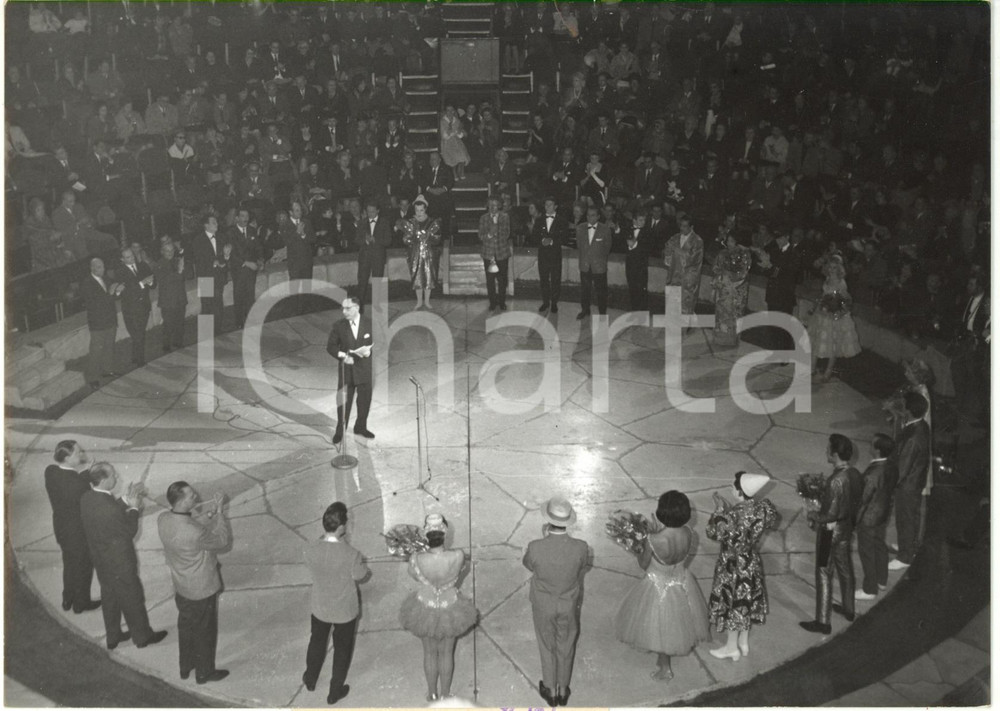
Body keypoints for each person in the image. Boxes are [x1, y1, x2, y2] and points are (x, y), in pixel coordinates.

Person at [616, 491, 709, 681]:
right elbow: (681, 555)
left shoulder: (654, 540)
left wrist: (639, 547)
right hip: (681, 582)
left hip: (658, 586)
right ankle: (663, 662)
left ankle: (665, 668)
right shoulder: (690, 533)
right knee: (678, 622)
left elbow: (643, 565)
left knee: (661, 629)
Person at [80, 462, 168, 650]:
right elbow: (128, 531)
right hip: (120, 561)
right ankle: (142, 637)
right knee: (132, 597)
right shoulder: (109, 509)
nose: (117, 478)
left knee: (109, 596)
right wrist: (135, 509)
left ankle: (114, 636)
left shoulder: (87, 498)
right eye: (113, 475)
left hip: (101, 559)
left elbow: (108, 512)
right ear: (104, 480)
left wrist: (127, 499)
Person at [400, 514, 478, 702]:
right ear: (445, 534)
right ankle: (445, 693)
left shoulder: (417, 558)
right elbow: (462, 570)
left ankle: (431, 693)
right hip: (450, 606)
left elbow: (415, 576)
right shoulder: (458, 555)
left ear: (426, 535)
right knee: (446, 652)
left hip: (424, 606)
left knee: (429, 652)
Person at [157, 482, 230, 685]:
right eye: (191, 496)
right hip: (201, 588)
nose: (195, 497)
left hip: (181, 585)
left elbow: (190, 526)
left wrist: (209, 515)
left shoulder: (163, 519)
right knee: (204, 632)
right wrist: (220, 514)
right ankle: (204, 673)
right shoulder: (194, 532)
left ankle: (185, 666)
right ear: (181, 501)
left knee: (186, 626)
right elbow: (222, 540)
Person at [522, 497, 591, 707]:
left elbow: (529, 565)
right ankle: (563, 689)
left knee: (546, 644)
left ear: (547, 522)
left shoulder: (535, 547)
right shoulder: (581, 547)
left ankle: (549, 690)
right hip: (568, 604)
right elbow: (581, 566)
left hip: (543, 603)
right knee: (566, 644)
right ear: (568, 522)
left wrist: (544, 540)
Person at [706, 472, 778, 659]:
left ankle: (731, 648)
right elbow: (771, 520)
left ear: (740, 492)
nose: (731, 488)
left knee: (734, 602)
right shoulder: (762, 509)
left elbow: (713, 532)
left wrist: (719, 510)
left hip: (732, 565)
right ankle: (743, 642)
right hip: (751, 561)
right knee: (746, 601)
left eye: (733, 486)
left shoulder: (733, 514)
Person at [303, 502, 369, 705]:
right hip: (344, 611)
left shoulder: (310, 548)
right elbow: (360, 575)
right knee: (342, 649)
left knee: (316, 642)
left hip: (321, 606)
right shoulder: (351, 554)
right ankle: (335, 690)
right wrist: (364, 565)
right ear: (341, 528)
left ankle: (311, 678)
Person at [800, 434, 863, 635]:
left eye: (829, 450)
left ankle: (823, 621)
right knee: (845, 567)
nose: (826, 452)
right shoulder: (854, 474)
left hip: (830, 532)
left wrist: (812, 513)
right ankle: (848, 608)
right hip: (845, 529)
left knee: (823, 573)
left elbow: (829, 515)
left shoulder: (836, 480)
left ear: (835, 454)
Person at [44, 440, 101, 615]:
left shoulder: (51, 471)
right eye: (78, 453)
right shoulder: (79, 485)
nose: (82, 455)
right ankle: (81, 604)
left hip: (62, 529)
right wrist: (90, 475)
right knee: (84, 566)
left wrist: (85, 473)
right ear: (67, 457)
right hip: (78, 532)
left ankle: (67, 599)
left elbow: (69, 480)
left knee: (69, 564)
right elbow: (83, 493)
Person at [889, 391, 931, 571]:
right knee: (910, 517)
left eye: (904, 405)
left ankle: (905, 556)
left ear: (910, 410)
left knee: (905, 519)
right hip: (915, 482)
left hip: (907, 485)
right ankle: (909, 545)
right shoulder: (921, 425)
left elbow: (903, 468)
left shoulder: (913, 438)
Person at [854, 434, 898, 600]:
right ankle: (882, 580)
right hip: (882, 513)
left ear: (877, 450)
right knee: (880, 545)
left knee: (867, 552)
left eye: (872, 444)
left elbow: (863, 499)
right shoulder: (892, 466)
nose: (869, 446)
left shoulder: (872, 473)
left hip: (868, 518)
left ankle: (869, 589)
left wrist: (853, 520)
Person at [326, 297, 374, 445]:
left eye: (348, 308)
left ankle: (361, 427)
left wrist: (368, 352)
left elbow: (378, 342)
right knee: (343, 403)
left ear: (357, 308)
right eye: (343, 308)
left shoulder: (370, 324)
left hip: (364, 370)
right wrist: (343, 356)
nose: (344, 312)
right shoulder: (339, 326)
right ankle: (340, 431)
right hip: (346, 371)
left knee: (364, 402)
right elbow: (331, 346)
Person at [808, 255, 861, 381]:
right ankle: (811, 369)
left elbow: (847, 301)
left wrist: (838, 313)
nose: (831, 270)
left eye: (834, 268)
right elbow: (824, 295)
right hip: (822, 314)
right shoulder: (827, 278)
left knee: (832, 345)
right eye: (830, 267)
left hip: (833, 317)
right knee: (816, 341)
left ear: (839, 269)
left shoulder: (841, 283)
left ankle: (828, 372)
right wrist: (817, 306)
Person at [81, 257, 122, 389]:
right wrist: (110, 293)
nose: (102, 269)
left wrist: (118, 291)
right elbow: (94, 303)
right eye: (99, 267)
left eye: (103, 266)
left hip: (110, 319)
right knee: (96, 350)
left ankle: (107, 370)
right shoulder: (87, 283)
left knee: (109, 346)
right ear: (92, 268)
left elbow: (113, 297)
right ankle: (92, 378)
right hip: (98, 322)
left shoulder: (106, 278)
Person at [760, 231, 803, 353]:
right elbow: (767, 272)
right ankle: (775, 351)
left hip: (785, 295)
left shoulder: (794, 253)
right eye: (776, 238)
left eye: (779, 238)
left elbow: (791, 274)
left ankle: (784, 354)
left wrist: (772, 268)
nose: (777, 241)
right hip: (773, 293)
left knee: (784, 326)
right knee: (773, 325)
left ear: (787, 237)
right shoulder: (774, 251)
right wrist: (765, 266)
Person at [399, 198, 441, 310]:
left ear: (425, 209)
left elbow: (437, 239)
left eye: (421, 210)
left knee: (428, 276)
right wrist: (414, 237)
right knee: (417, 276)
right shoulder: (411, 222)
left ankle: (427, 301)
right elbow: (405, 239)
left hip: (428, 254)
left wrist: (429, 237)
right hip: (415, 253)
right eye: (417, 210)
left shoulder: (432, 222)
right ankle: (419, 301)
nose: (419, 213)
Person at [228, 208, 267, 331]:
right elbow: (232, 254)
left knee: (250, 295)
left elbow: (259, 247)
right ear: (237, 218)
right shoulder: (231, 233)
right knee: (239, 295)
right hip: (239, 270)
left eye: (247, 216)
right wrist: (246, 263)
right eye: (242, 216)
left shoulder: (252, 231)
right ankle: (239, 321)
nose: (245, 218)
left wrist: (261, 259)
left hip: (251, 270)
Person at [712, 231, 752, 346]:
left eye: (732, 241)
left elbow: (744, 272)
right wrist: (721, 274)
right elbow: (715, 267)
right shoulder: (722, 253)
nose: (729, 243)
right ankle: (720, 338)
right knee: (721, 313)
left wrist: (731, 278)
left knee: (735, 313)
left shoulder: (744, 253)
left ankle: (733, 339)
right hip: (724, 288)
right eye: (728, 241)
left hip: (736, 289)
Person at [191, 215, 230, 331]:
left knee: (218, 304)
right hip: (205, 278)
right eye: (213, 222)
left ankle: (218, 330)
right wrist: (214, 262)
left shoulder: (222, 237)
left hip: (218, 276)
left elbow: (225, 255)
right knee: (207, 305)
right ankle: (206, 332)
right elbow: (198, 259)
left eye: (216, 222)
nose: (217, 224)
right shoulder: (198, 240)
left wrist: (226, 256)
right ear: (206, 225)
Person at [118, 247, 154, 366]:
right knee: (138, 334)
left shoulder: (143, 266)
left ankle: (135, 357)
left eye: (132, 256)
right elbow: (127, 291)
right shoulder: (120, 272)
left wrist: (151, 282)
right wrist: (142, 283)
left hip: (144, 306)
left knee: (140, 333)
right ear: (122, 259)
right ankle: (140, 360)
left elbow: (153, 283)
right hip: (131, 309)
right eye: (128, 257)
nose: (132, 259)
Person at [532, 197, 569, 314]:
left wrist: (552, 241)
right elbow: (534, 236)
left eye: (550, 204)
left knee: (555, 279)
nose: (547, 207)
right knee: (543, 279)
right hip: (543, 255)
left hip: (555, 255)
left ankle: (554, 303)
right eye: (546, 205)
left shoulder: (562, 221)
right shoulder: (539, 220)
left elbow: (565, 237)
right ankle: (545, 302)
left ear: (556, 206)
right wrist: (542, 240)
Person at [575, 204, 612, 320]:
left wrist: (598, 259)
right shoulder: (580, 228)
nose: (590, 218)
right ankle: (585, 310)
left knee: (601, 291)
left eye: (593, 215)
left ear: (598, 217)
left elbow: (607, 248)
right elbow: (579, 246)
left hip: (599, 266)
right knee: (585, 290)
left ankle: (602, 313)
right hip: (585, 265)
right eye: (588, 215)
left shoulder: (605, 229)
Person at [663, 216, 704, 316]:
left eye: (685, 226)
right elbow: (667, 250)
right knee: (672, 304)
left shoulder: (697, 241)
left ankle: (684, 329)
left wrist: (677, 250)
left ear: (692, 227)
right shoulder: (675, 237)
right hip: (674, 275)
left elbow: (692, 259)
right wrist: (667, 253)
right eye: (681, 226)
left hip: (688, 279)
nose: (682, 228)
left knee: (685, 305)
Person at [355, 199, 392, 307]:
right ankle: (359, 305)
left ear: (378, 211)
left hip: (378, 257)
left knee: (377, 282)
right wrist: (365, 240)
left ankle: (377, 305)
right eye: (368, 211)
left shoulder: (384, 222)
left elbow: (388, 241)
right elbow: (356, 240)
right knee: (362, 282)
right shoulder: (362, 223)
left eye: (372, 211)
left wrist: (376, 240)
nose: (370, 214)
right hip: (364, 257)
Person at [478, 197, 512, 313]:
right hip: (488, 254)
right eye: (490, 205)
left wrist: (495, 227)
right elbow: (481, 236)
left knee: (502, 279)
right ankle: (492, 302)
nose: (493, 208)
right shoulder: (483, 218)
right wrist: (489, 234)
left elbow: (506, 234)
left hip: (501, 253)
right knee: (490, 280)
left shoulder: (505, 217)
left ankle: (502, 302)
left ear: (499, 206)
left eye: (495, 205)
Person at [152, 239, 187, 353]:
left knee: (180, 322)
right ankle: (166, 346)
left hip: (180, 298)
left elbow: (185, 276)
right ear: (162, 251)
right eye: (167, 251)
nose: (170, 252)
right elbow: (166, 280)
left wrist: (181, 271)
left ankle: (178, 343)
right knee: (168, 324)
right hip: (168, 301)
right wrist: (179, 271)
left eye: (172, 250)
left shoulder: (177, 261)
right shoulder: (159, 264)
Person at [624, 212, 655, 312]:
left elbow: (649, 248)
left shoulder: (648, 232)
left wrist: (634, 244)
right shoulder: (628, 229)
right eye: (640, 220)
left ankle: (642, 314)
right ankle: (634, 312)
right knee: (632, 289)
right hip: (630, 265)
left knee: (642, 289)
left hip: (641, 266)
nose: (643, 222)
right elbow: (621, 244)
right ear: (634, 220)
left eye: (644, 220)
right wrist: (629, 245)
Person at [439, 105, 469, 182]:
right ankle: (454, 173)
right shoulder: (443, 121)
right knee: (452, 159)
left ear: (454, 111)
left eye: (451, 110)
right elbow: (444, 136)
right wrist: (450, 131)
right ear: (445, 111)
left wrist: (459, 131)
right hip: (447, 142)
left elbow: (460, 134)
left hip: (456, 141)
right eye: (448, 110)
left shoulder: (457, 121)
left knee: (462, 155)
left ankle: (461, 172)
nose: (450, 112)